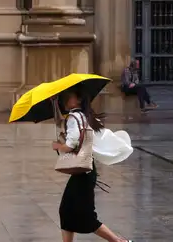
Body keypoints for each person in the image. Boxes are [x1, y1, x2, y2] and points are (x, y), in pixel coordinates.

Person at [51, 88, 133, 242]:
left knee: (85, 215)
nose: (66, 99)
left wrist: (58, 146)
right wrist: (55, 103)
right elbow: (60, 122)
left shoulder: (74, 117)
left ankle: (118, 241)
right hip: (86, 171)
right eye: (65, 97)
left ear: (79, 100)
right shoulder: (82, 116)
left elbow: (71, 143)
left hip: (83, 172)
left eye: (70, 97)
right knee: (67, 210)